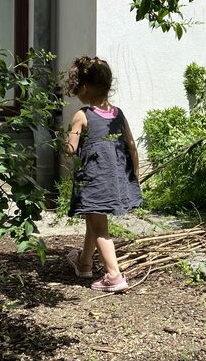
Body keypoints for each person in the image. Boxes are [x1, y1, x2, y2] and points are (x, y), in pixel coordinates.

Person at [62, 56, 142, 292]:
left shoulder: (82, 115)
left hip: (94, 180)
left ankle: (114, 276)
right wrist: (133, 176)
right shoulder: (118, 114)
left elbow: (71, 149)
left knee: (100, 228)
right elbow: (132, 146)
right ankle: (84, 263)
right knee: (94, 220)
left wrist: (64, 138)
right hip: (115, 179)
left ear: (83, 88)